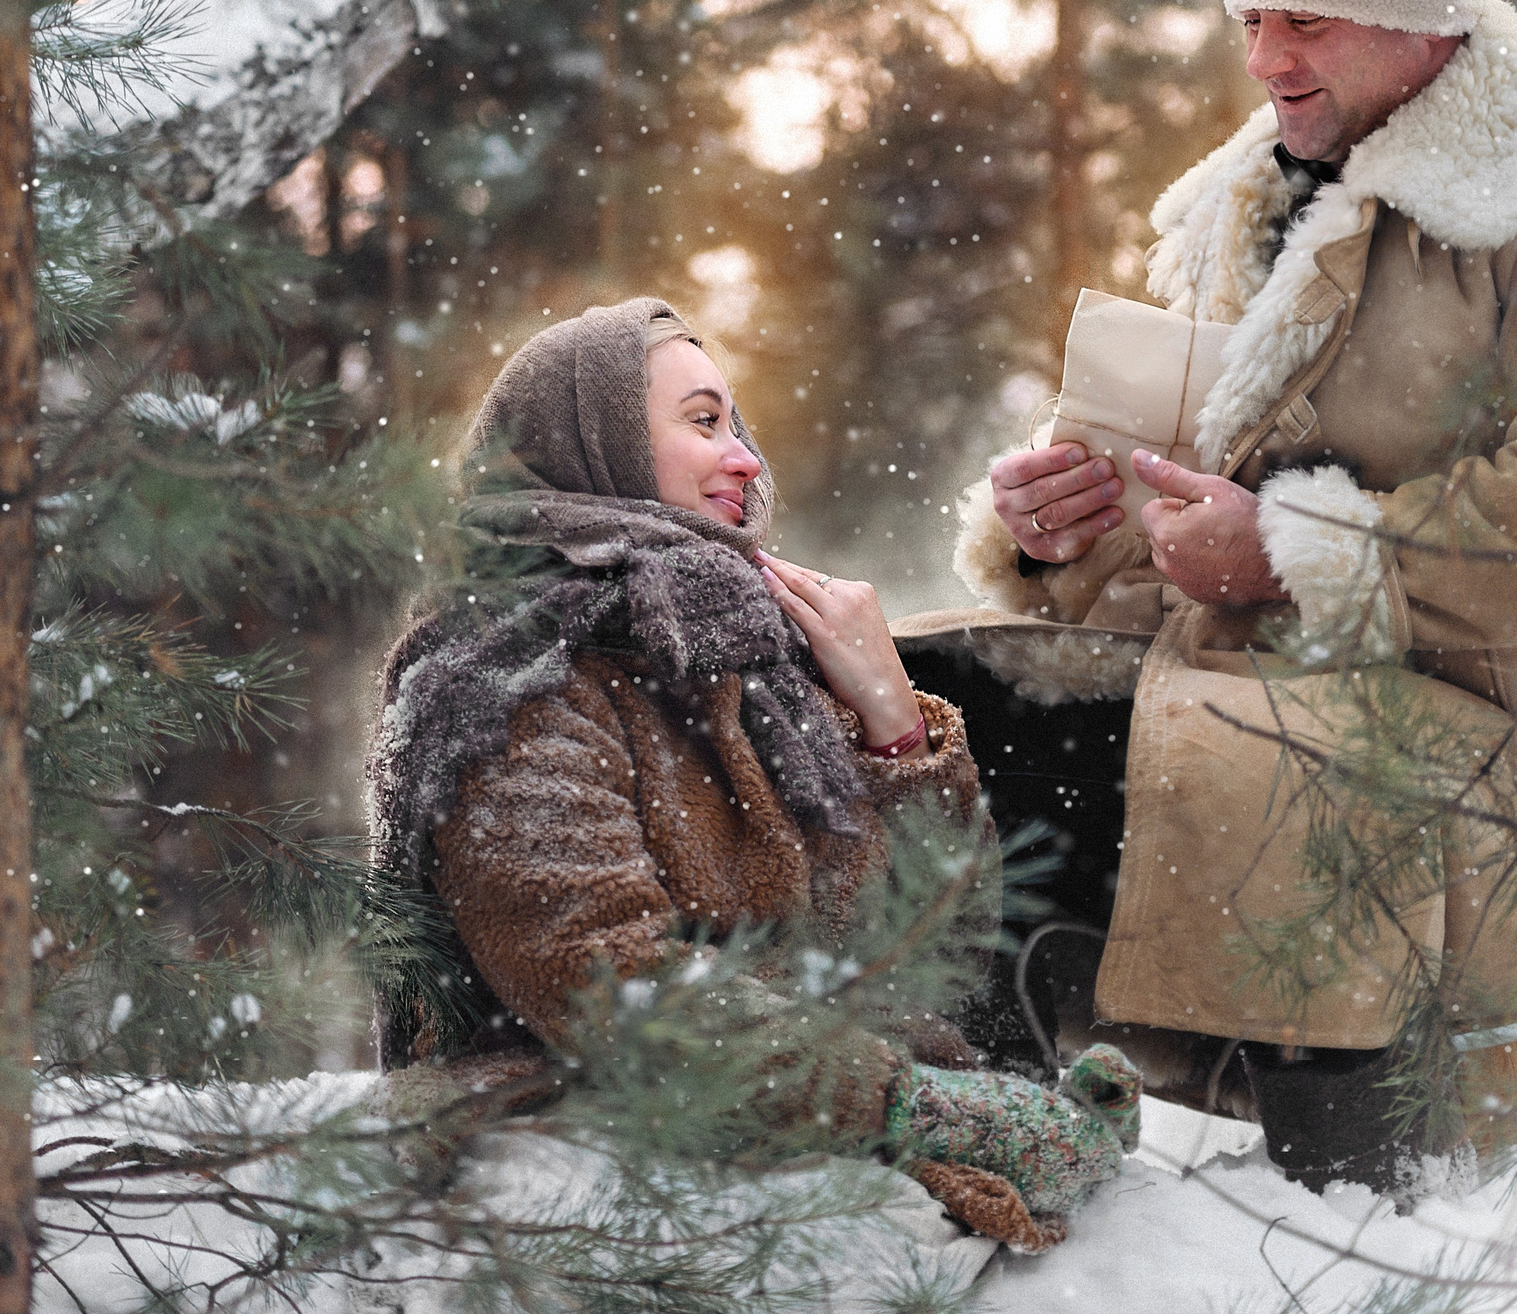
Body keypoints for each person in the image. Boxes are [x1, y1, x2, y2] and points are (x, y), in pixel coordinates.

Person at [897, 0, 1517, 1192]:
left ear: (1427, 18)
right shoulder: (1241, 203)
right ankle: (1006, 1147)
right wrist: (1062, 530)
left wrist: (1286, 551)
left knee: (1272, 766)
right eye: (1250, 19)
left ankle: (1364, 1212)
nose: (1264, 56)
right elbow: (1189, 521)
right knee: (947, 701)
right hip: (1259, 682)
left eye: (1305, 20)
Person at [366, 297, 1138, 1250]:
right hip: (588, 1165)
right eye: (702, 421)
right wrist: (917, 1107)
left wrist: (893, 723)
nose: (745, 458)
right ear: (591, 440)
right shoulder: (504, 673)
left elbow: (946, 953)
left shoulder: (747, 660)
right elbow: (606, 983)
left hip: (778, 1123)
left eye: (738, 424)